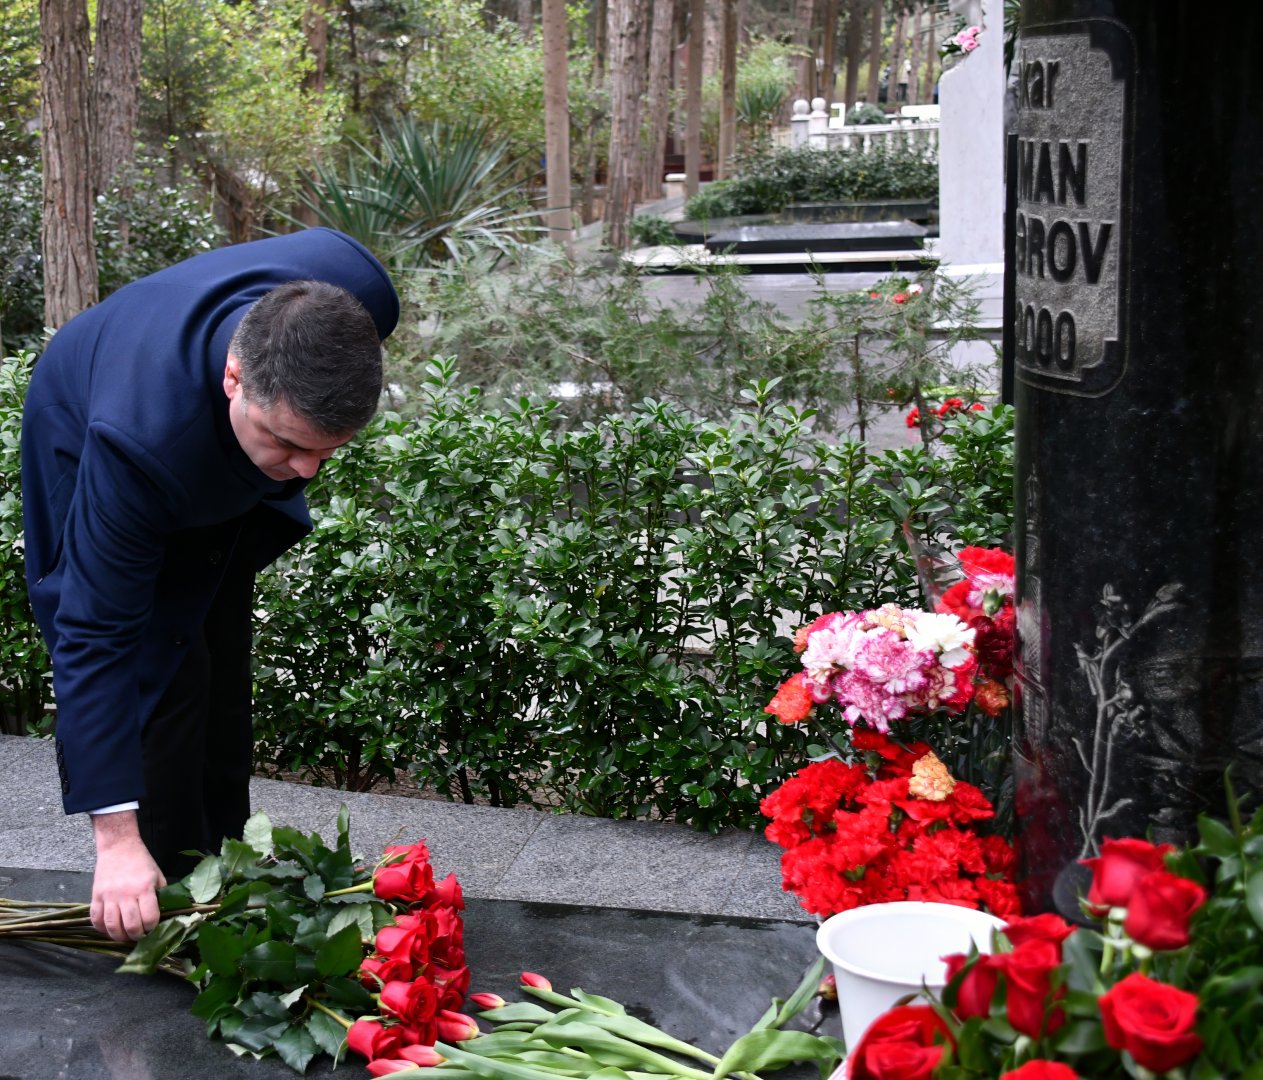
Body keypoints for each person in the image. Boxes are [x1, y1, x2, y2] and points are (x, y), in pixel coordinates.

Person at [21, 227, 399, 943]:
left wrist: (280, 447)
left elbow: (292, 420)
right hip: (83, 411)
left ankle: (225, 869)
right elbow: (94, 636)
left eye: (328, 451)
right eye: (289, 444)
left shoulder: (355, 293)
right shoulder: (135, 445)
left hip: (198, 423)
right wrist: (114, 841)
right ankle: (163, 885)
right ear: (234, 376)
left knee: (218, 656)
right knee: (160, 662)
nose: (308, 471)